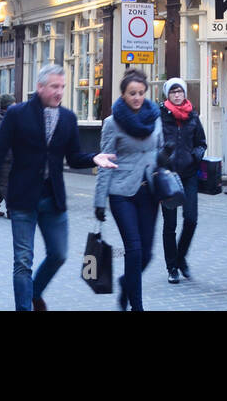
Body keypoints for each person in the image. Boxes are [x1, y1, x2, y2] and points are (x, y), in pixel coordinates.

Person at [0, 65, 116, 311]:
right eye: (54, 86)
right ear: (40, 87)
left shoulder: (68, 118)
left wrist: (94, 158)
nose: (59, 92)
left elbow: (73, 157)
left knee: (59, 254)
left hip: (53, 199)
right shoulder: (17, 114)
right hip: (22, 198)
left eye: (62, 87)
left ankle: (34, 292)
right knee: (23, 261)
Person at [94, 70, 162, 311]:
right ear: (123, 94)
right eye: (132, 93)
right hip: (122, 193)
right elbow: (105, 162)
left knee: (147, 254)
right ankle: (137, 306)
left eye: (141, 93)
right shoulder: (112, 123)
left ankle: (126, 284)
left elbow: (160, 150)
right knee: (134, 250)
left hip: (150, 192)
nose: (137, 98)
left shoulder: (155, 118)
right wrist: (99, 201)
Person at [160, 77, 206, 283]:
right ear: (168, 95)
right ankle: (172, 267)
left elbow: (201, 142)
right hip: (168, 176)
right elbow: (153, 142)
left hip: (188, 175)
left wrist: (196, 154)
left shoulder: (192, 116)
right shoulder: (160, 116)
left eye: (180, 91)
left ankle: (181, 257)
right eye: (173, 92)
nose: (177, 95)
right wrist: (162, 158)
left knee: (191, 219)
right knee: (170, 224)